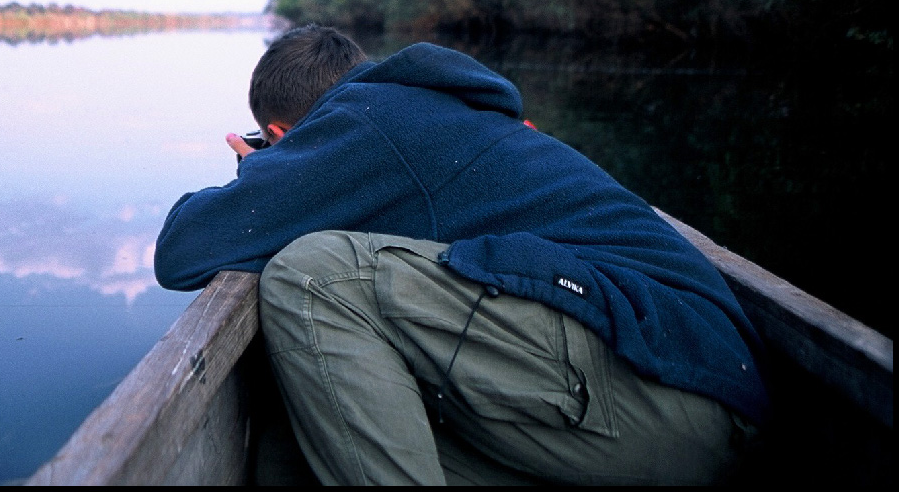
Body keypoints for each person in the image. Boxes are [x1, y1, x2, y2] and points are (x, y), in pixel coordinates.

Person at [155, 25, 767, 485]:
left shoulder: (367, 119)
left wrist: (257, 177)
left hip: (660, 376)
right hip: (697, 399)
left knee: (311, 276)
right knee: (290, 451)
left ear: (285, 136)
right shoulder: (442, 113)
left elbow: (181, 250)